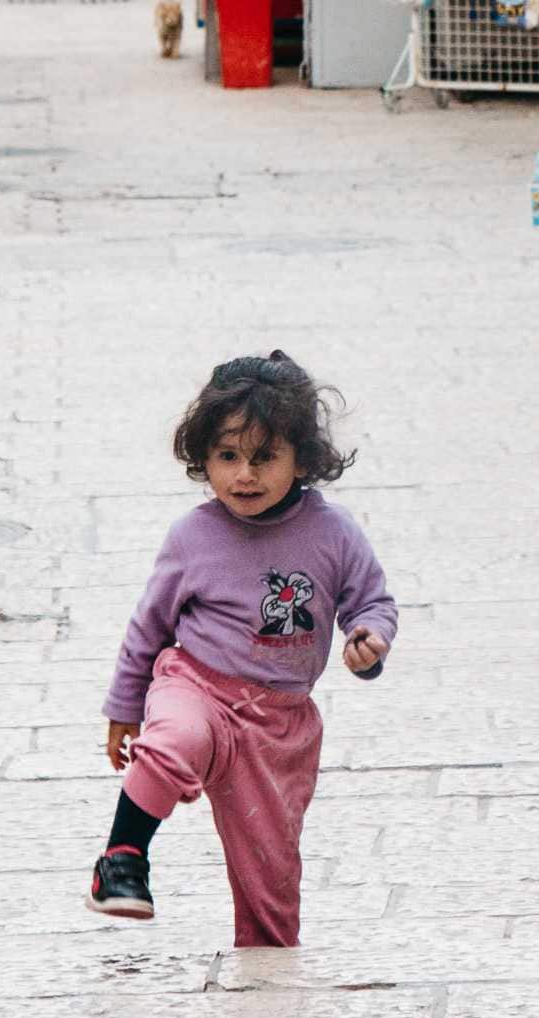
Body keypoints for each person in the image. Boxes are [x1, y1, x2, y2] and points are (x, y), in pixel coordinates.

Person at [89, 351, 397, 946]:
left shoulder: (334, 533)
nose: (243, 476)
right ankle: (122, 859)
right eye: (227, 457)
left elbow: (373, 603)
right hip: (196, 685)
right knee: (175, 740)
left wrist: (369, 640)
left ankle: (267, 972)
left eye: (263, 458)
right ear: (202, 457)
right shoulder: (192, 536)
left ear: (301, 459)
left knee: (271, 875)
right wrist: (125, 709)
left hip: (279, 724)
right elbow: (147, 628)